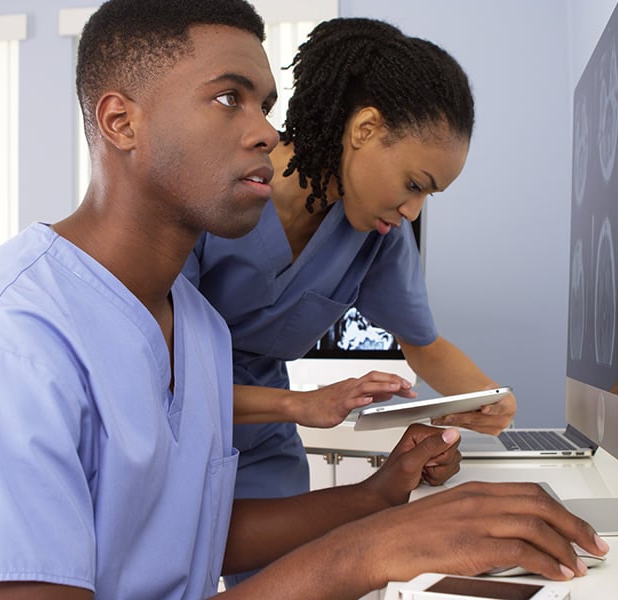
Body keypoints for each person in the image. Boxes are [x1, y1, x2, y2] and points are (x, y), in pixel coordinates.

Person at [0, 1, 607, 598]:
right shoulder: (3, 350)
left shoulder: (196, 330)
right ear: (121, 122)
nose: (268, 129)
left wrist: (380, 497)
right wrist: (369, 548)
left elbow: (182, 533)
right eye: (228, 97)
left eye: (264, 103)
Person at [182, 16, 517, 528]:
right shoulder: (213, 186)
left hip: (263, 437)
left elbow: (423, 347)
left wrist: (491, 402)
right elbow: (160, 372)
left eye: (428, 195)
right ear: (365, 130)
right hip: (172, 422)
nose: (413, 210)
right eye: (413, 184)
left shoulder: (377, 235)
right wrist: (302, 405)